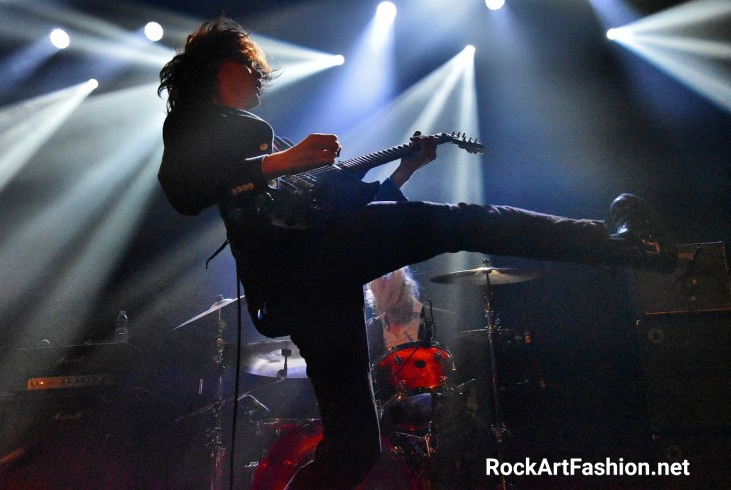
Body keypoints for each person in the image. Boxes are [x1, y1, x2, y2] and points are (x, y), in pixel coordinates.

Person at [157, 16, 675, 489]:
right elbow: (183, 189)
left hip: (319, 279)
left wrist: (404, 171)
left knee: (355, 447)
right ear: (220, 66)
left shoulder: (261, 139)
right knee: (463, 220)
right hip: (301, 270)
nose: (258, 78)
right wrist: (285, 160)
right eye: (248, 66)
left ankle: (624, 245)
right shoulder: (192, 122)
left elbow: (336, 205)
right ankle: (617, 243)